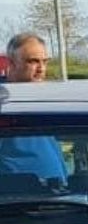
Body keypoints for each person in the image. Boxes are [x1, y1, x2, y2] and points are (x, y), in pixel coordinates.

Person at [0, 33, 67, 184]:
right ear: (11, 63)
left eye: (45, 61)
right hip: (17, 199)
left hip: (59, 195)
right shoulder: (4, 101)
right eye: (33, 61)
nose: (41, 68)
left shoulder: (43, 98)